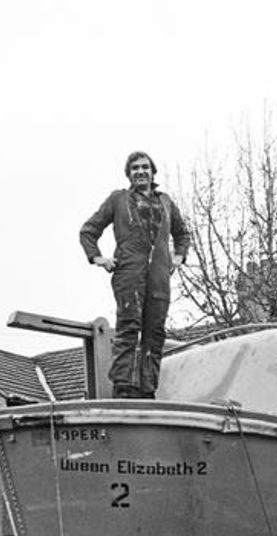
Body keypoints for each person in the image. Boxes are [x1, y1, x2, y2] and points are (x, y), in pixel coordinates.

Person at [79, 151, 191, 398]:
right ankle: (123, 387)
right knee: (129, 327)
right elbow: (88, 231)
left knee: (155, 333)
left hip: (159, 277)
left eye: (145, 167)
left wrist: (178, 257)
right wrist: (99, 258)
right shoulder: (118, 199)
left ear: (152, 172)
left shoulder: (165, 202)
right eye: (135, 168)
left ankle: (148, 389)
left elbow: (182, 234)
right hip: (129, 273)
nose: (140, 172)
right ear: (129, 174)